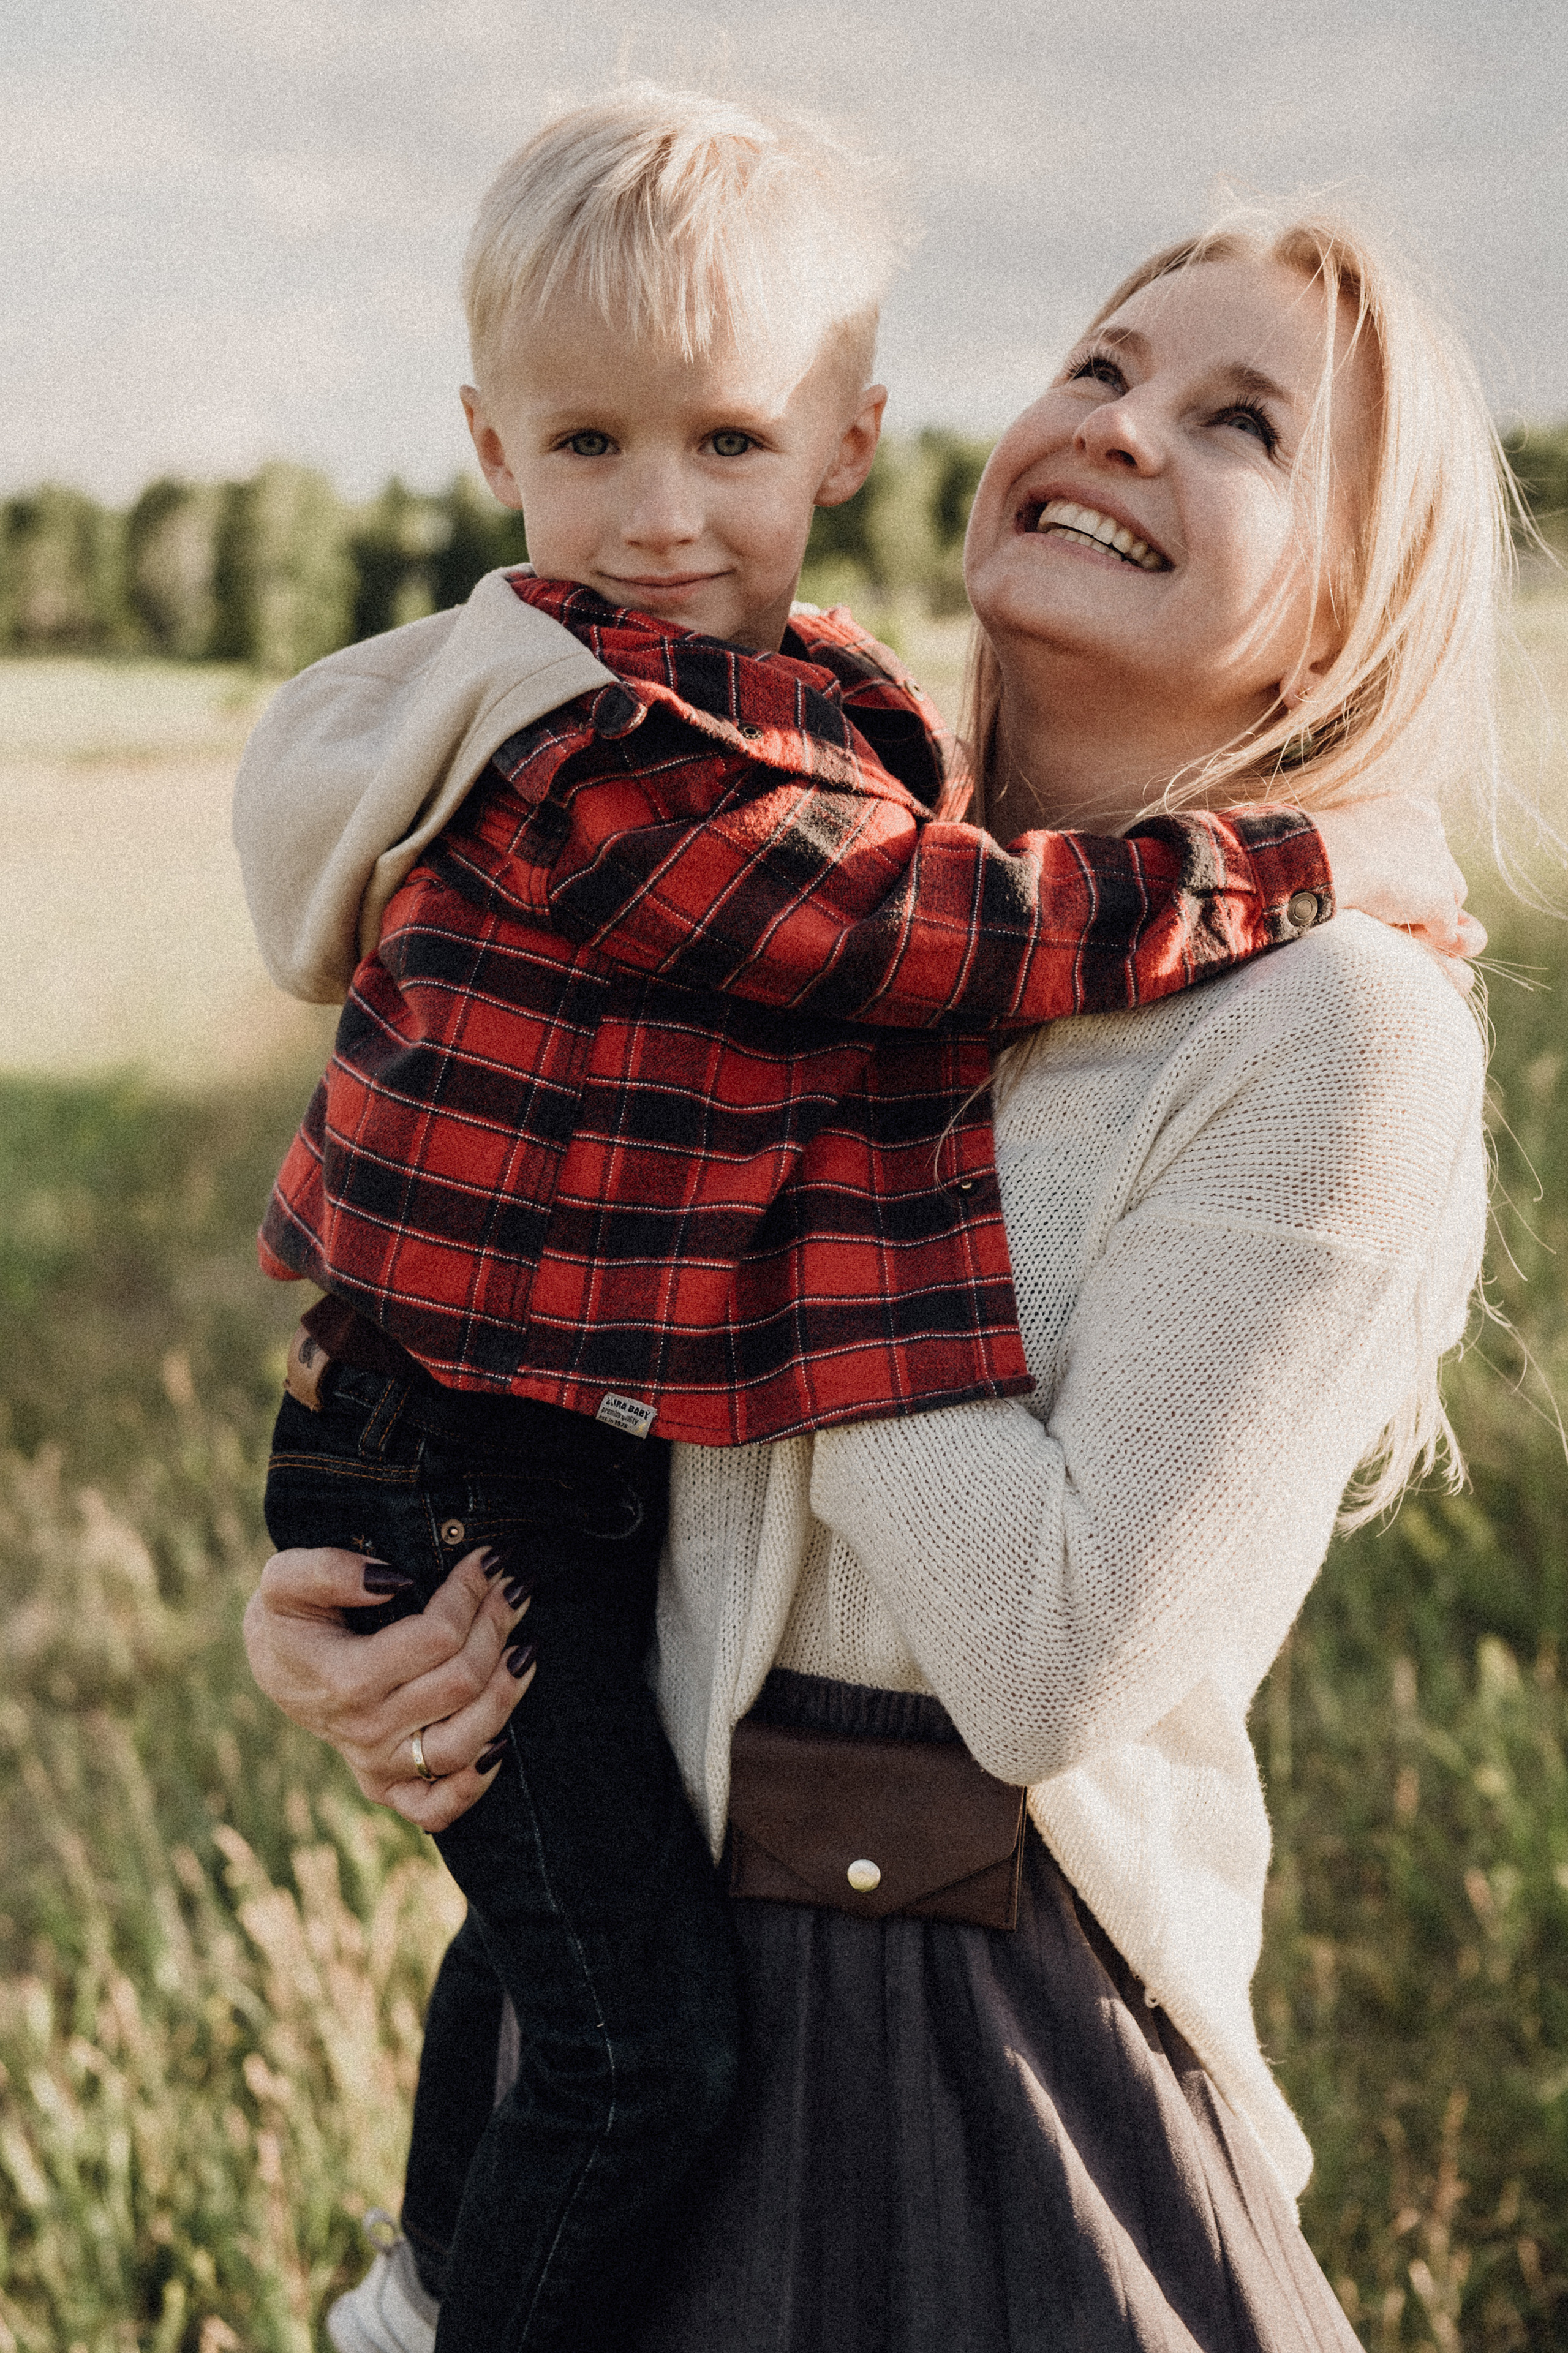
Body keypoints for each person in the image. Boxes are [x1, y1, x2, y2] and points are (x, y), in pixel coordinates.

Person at [241, 156, 1491, 2353]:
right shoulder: (800, 853)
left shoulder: (1331, 1026)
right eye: (1102, 365)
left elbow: (1048, 1656)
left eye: (1241, 422)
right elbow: (576, 1372)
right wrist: (372, 1610)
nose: (1121, 423)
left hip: (984, 2046)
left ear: (1345, 611)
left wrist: (797, 1110)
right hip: (648, 2004)